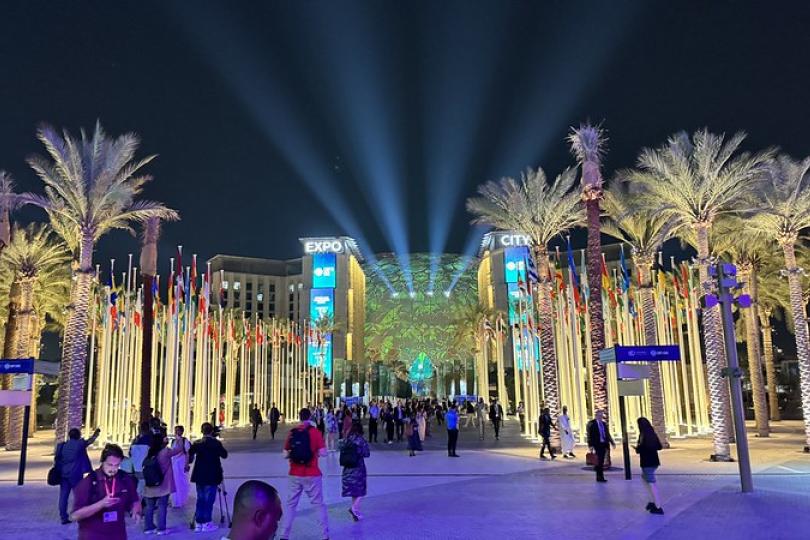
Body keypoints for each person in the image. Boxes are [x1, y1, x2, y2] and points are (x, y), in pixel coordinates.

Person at [70, 443, 141, 540]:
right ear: (102, 461)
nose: (113, 469)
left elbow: (135, 499)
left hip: (118, 535)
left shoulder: (124, 478)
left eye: (117, 465)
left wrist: (136, 511)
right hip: (93, 535)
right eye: (110, 465)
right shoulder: (89, 482)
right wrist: (101, 504)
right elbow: (75, 515)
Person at [280, 408, 329, 540]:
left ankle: (284, 535)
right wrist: (317, 453)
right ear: (310, 416)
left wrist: (292, 454)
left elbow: (284, 454)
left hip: (294, 473)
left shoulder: (292, 432)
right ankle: (324, 535)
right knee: (318, 504)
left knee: (291, 505)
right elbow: (324, 452)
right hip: (312, 473)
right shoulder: (315, 432)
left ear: (299, 417)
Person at [188, 422, 229, 532]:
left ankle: (199, 523)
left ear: (202, 431)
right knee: (209, 499)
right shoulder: (215, 443)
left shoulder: (197, 443)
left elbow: (190, 452)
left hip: (199, 475)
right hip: (212, 474)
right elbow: (224, 455)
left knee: (200, 498)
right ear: (211, 431)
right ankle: (207, 522)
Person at [56, 427, 100, 525]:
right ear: (78, 435)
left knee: (63, 496)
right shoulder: (80, 444)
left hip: (63, 474)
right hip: (76, 474)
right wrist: (96, 434)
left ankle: (63, 517)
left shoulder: (62, 446)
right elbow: (90, 441)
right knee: (80, 495)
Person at [142, 432, 184, 534]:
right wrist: (178, 439)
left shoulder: (150, 452)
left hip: (150, 485)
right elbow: (179, 449)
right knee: (162, 506)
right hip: (163, 485)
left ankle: (149, 527)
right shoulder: (165, 452)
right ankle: (161, 528)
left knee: (149, 507)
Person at [338, 423, 371, 521]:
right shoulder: (360, 440)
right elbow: (367, 453)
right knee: (361, 491)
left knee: (354, 492)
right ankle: (354, 509)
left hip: (347, 469)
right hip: (358, 469)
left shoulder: (346, 439)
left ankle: (355, 512)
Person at [636, 417, 665, 514]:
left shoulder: (643, 435)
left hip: (647, 462)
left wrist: (638, 449)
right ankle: (652, 501)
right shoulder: (652, 434)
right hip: (654, 461)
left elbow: (644, 448)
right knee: (645, 479)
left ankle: (657, 506)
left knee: (651, 483)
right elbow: (659, 447)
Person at [587, 410, 616, 483]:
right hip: (597, 444)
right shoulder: (592, 424)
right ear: (596, 416)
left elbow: (607, 434)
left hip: (604, 444)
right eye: (599, 415)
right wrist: (590, 445)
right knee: (599, 461)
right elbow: (590, 435)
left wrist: (612, 442)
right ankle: (599, 476)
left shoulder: (603, 424)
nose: (600, 417)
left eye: (601, 416)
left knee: (601, 461)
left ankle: (601, 476)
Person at [170, 425, 192, 508]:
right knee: (175, 482)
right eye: (175, 430)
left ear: (182, 432)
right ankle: (175, 501)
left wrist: (186, 464)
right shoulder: (173, 441)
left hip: (181, 463)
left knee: (182, 482)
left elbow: (187, 453)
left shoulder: (184, 440)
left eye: (178, 430)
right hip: (174, 464)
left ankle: (181, 500)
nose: (176, 432)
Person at [129, 422, 152, 497]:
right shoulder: (149, 439)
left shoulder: (135, 440)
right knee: (141, 486)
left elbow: (130, 453)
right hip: (144, 467)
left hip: (134, 466)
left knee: (138, 484)